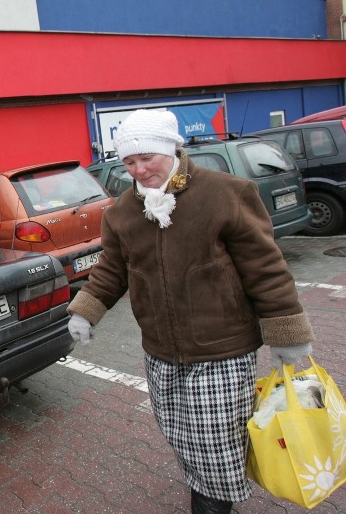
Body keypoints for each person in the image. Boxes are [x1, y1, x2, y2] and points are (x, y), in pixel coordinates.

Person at [66, 109, 314, 514]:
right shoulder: (123, 212)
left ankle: (212, 505)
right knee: (180, 435)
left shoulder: (226, 193)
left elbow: (266, 270)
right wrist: (86, 311)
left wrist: (287, 334)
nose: (140, 169)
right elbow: (112, 270)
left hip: (223, 348)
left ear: (170, 148)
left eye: (147, 157)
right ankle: (207, 489)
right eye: (129, 162)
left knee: (214, 442)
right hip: (161, 351)